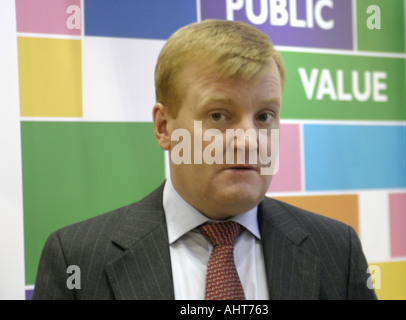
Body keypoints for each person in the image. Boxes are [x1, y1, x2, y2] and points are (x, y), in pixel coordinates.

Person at [32, 19, 377, 300]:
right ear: (164, 127)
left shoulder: (337, 250)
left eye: (264, 116)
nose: (248, 141)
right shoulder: (77, 259)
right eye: (218, 116)